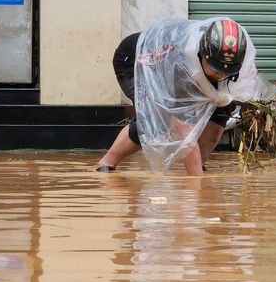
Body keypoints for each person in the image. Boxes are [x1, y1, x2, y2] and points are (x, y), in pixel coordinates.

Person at [93, 17, 264, 176]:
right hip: (137, 61)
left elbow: (243, 88)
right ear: (202, 53)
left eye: (226, 70)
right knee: (157, 119)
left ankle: (200, 164)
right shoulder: (181, 64)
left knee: (222, 109)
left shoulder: (241, 55)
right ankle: (106, 163)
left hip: (181, 66)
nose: (220, 74)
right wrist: (198, 186)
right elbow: (185, 130)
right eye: (216, 68)